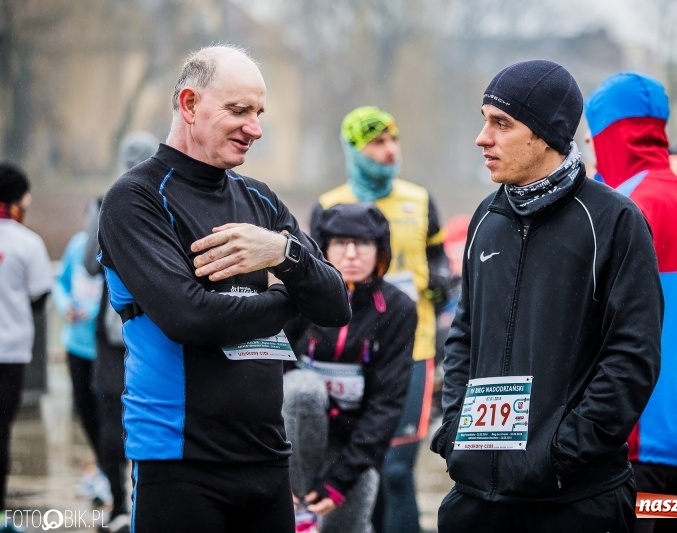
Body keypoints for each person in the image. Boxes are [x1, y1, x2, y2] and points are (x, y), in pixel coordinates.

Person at [97, 44, 351, 533]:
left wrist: (283, 255)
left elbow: (336, 303)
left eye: (258, 112)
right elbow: (190, 317)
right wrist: (286, 297)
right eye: (239, 110)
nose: (255, 128)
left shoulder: (259, 199)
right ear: (190, 104)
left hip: (268, 457)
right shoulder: (136, 197)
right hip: (179, 462)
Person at [431, 60, 663, 532]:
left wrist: (562, 453)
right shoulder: (485, 218)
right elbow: (464, 337)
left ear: (546, 133)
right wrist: (456, 434)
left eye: (501, 123)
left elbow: (633, 356)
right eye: (483, 120)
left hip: (574, 500)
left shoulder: (614, 221)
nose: (483, 138)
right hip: (476, 498)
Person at [585, 72, 677, 533]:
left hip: (632, 445)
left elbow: (591, 331)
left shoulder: (616, 207)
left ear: (609, 136)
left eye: (590, 140)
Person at [311, 106, 450, 533]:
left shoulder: (420, 199)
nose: (390, 151)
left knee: (394, 467)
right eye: (376, 143)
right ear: (353, 150)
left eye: (394, 140)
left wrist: (441, 280)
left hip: (414, 346)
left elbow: (437, 257)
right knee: (357, 463)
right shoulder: (328, 207)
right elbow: (311, 280)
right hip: (347, 354)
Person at [282, 203, 416, 533]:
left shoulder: (398, 308)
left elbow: (386, 405)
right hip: (293, 441)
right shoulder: (296, 297)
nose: (352, 254)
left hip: (352, 446)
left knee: (349, 524)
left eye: (364, 243)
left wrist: (339, 481)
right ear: (324, 248)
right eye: (341, 243)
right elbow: (271, 376)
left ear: (380, 250)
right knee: (302, 389)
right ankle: (298, 501)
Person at [82, 130, 160, 533]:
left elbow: (90, 264)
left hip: (113, 324)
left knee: (113, 417)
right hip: (159, 327)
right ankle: (140, 503)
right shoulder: (167, 201)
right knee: (151, 419)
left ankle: (118, 506)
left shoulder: (104, 202)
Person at [0, 163, 52, 533]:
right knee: (1, 433)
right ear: (19, 197)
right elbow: (39, 299)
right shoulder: (26, 242)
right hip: (10, 353)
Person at [52, 202, 110, 507]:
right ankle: (101, 467)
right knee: (83, 406)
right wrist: (66, 308)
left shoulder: (115, 246)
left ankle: (106, 471)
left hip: (103, 348)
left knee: (106, 411)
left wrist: (89, 311)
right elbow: (60, 284)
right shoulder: (77, 245)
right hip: (75, 345)